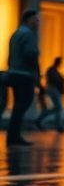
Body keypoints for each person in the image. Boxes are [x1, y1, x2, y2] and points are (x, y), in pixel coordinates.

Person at [6, 9, 41, 146]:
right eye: (36, 19)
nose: (38, 22)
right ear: (29, 20)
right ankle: (14, 136)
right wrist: (36, 74)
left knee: (18, 106)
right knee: (22, 104)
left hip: (14, 73)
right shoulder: (28, 35)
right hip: (24, 75)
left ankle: (13, 135)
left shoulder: (16, 34)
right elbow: (31, 55)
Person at [36, 57, 64, 133]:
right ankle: (57, 125)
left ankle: (58, 125)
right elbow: (55, 80)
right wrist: (62, 80)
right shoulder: (52, 70)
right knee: (58, 107)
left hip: (55, 90)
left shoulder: (54, 70)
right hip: (53, 90)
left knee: (58, 108)